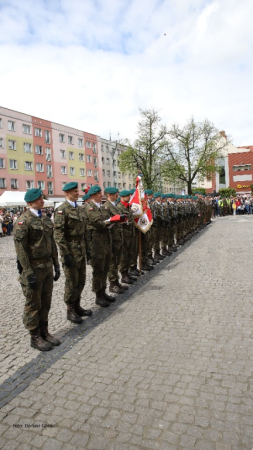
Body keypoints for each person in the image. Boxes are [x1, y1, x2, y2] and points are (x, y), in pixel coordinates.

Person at [13, 188, 61, 351]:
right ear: (30, 202)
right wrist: (27, 272)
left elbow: (52, 243)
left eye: (42, 198)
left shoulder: (47, 219)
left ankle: (44, 332)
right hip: (33, 268)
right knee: (33, 303)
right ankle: (34, 336)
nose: (42, 201)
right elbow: (21, 250)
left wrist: (56, 264)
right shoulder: (23, 221)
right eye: (39, 199)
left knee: (46, 301)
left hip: (46, 266)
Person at [54, 182, 92, 324]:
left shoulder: (81, 209)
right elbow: (58, 234)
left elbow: (85, 231)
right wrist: (66, 254)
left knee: (81, 280)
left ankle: (77, 306)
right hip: (70, 250)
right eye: (75, 191)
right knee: (71, 281)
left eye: (77, 191)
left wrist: (88, 249)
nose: (78, 193)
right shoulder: (61, 210)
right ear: (67, 193)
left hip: (81, 249)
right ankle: (70, 310)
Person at [85, 185, 127, 307]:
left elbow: (107, 220)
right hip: (96, 244)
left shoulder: (102, 208)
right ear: (93, 195)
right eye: (98, 194)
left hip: (106, 242)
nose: (101, 195)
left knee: (105, 268)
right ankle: (98, 295)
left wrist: (113, 220)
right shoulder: (90, 208)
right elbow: (99, 224)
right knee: (98, 271)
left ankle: (103, 292)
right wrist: (113, 220)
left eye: (101, 193)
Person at [104, 187, 128, 294]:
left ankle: (117, 281)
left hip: (118, 236)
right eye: (115, 194)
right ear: (109, 195)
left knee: (117, 260)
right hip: (111, 238)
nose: (117, 195)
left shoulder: (115, 206)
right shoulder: (106, 207)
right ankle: (112, 284)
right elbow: (105, 222)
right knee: (112, 262)